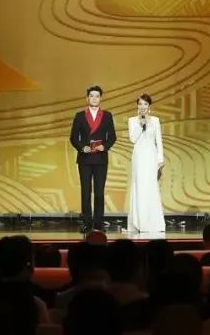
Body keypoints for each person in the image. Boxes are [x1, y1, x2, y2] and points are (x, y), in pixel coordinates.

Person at [70, 85, 117, 234]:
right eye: (91, 96)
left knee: (99, 193)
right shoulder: (80, 116)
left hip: (100, 159)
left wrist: (105, 146)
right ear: (87, 98)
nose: (94, 98)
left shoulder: (107, 115)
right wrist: (81, 147)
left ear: (100, 98)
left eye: (97, 96)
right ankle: (86, 223)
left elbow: (112, 137)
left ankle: (98, 224)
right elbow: (73, 138)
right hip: (85, 159)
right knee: (85, 192)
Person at [126, 93, 166, 236]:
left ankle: (152, 222)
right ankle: (139, 222)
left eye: (145, 104)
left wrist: (160, 159)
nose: (142, 106)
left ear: (149, 106)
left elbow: (158, 140)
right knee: (139, 187)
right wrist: (140, 125)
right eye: (140, 104)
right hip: (138, 157)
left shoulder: (155, 120)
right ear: (137, 106)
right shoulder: (132, 120)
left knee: (151, 187)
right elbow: (133, 139)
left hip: (151, 157)